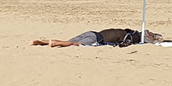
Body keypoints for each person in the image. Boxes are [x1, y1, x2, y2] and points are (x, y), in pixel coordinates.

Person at [30, 28, 163, 47]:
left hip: (93, 33)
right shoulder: (126, 36)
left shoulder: (124, 32)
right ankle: (48, 42)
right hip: (96, 38)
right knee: (72, 43)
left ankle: (43, 42)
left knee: (69, 41)